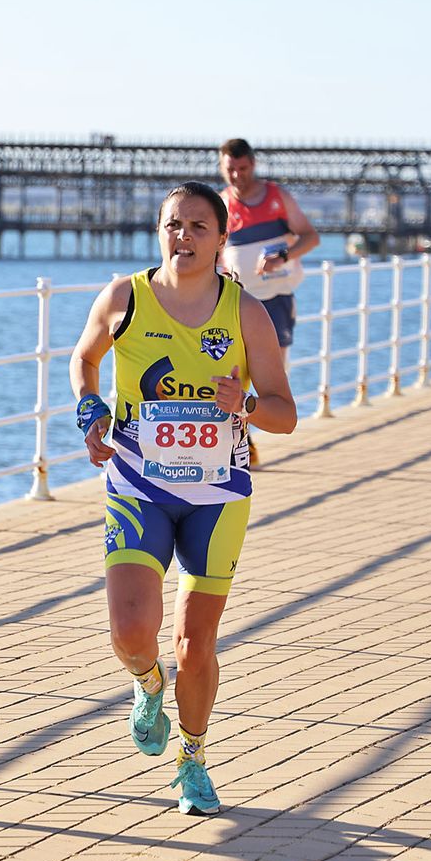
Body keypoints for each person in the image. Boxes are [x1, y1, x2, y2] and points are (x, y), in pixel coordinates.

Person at [69, 182, 297, 815]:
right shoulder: (125, 298)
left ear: (223, 238)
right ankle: (147, 683)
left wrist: (245, 406)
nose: (184, 237)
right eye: (174, 225)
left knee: (196, 643)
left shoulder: (247, 313)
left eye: (199, 226)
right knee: (131, 633)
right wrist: (89, 412)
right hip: (138, 486)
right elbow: (83, 361)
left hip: (217, 496)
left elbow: (285, 413)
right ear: (159, 231)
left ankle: (192, 760)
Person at [218, 139, 318, 466]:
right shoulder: (221, 204)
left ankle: (255, 427)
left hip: (276, 298)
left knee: (274, 372)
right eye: (230, 169)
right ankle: (243, 438)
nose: (237, 176)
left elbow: (310, 236)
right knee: (233, 369)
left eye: (243, 169)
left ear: (253, 165)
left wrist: (284, 256)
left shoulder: (277, 197)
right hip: (238, 300)